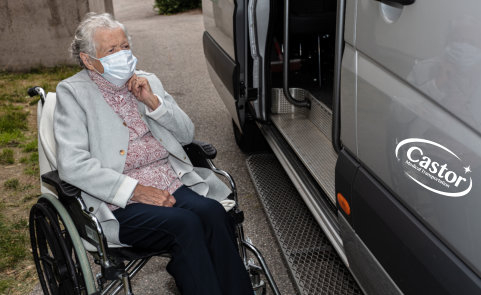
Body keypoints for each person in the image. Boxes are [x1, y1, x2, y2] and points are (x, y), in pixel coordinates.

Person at [54, 12, 253, 295]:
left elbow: (186, 135)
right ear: (88, 60)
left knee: (212, 213)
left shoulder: (147, 81)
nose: (121, 55)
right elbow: (72, 164)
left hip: (171, 183)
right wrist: (134, 190)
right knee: (185, 225)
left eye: (125, 47)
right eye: (111, 50)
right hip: (118, 201)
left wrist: (153, 102)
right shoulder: (73, 94)